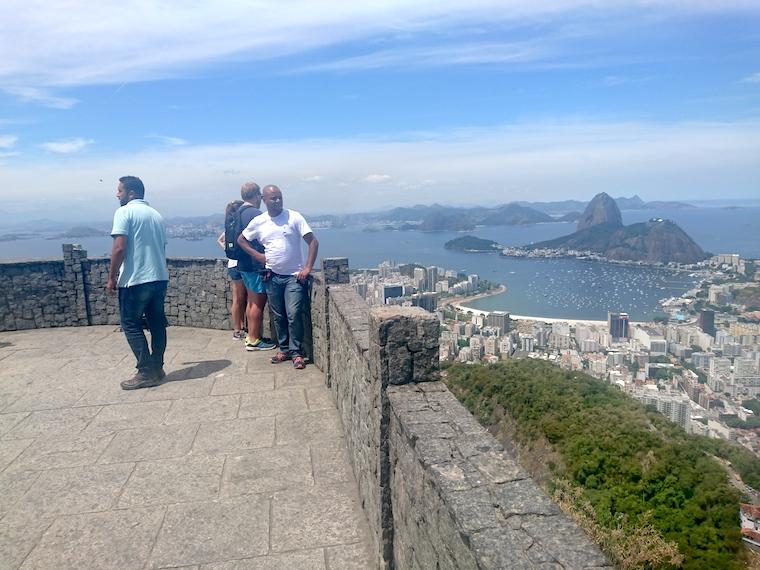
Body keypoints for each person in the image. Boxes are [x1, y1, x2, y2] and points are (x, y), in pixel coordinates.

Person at [238, 185, 319, 369]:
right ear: (264, 200)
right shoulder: (260, 221)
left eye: (279, 197)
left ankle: (296, 352)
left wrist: (307, 268)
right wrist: (258, 256)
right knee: (278, 315)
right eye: (273, 198)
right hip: (272, 276)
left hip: (294, 276)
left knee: (293, 313)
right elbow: (241, 240)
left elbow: (313, 242)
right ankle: (284, 350)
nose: (277, 201)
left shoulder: (294, 217)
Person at [107, 176, 170, 390]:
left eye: (119, 190)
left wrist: (112, 277)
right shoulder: (157, 216)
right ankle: (157, 367)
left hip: (135, 280)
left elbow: (119, 248)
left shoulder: (124, 212)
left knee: (131, 324)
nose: (117, 194)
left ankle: (145, 372)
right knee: (157, 324)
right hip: (159, 277)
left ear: (131, 193)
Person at [235, 183, 276, 351]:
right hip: (253, 265)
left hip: (242, 264)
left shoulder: (237, 212)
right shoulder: (255, 214)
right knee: (257, 303)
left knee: (251, 302)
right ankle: (254, 338)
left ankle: (251, 337)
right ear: (257, 195)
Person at [217, 201, 247, 341]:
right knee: (242, 298)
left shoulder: (230, 225)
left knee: (238, 298)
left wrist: (228, 251)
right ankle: (238, 329)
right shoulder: (239, 224)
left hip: (232, 264)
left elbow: (220, 240)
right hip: (240, 264)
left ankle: (238, 327)